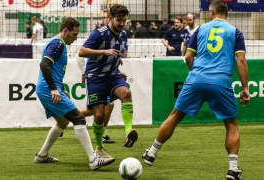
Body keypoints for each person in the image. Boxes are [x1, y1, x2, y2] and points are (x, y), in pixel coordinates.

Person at [142, 1, 250, 180]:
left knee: (175, 115)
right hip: (221, 81)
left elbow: (188, 56)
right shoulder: (235, 32)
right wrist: (245, 88)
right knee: (231, 125)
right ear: (227, 13)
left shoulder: (200, 30)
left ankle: (151, 153)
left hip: (197, 78)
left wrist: (196, 76)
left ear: (212, 11)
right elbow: (241, 60)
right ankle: (232, 169)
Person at [34, 17, 115, 170]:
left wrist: (60, 87)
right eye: (74, 34)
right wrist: (53, 88)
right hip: (47, 89)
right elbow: (44, 64)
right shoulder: (58, 43)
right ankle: (93, 159)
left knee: (63, 122)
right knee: (78, 118)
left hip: (47, 88)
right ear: (65, 31)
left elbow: (52, 69)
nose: (76, 37)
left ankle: (42, 156)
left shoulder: (59, 44)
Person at [78, 4, 138, 159]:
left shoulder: (123, 34)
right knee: (98, 114)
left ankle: (128, 132)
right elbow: (82, 51)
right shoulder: (99, 33)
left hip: (112, 75)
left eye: (124, 20)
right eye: (119, 20)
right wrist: (104, 51)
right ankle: (99, 148)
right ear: (111, 18)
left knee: (126, 93)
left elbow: (115, 54)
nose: (122, 24)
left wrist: (117, 68)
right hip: (96, 77)